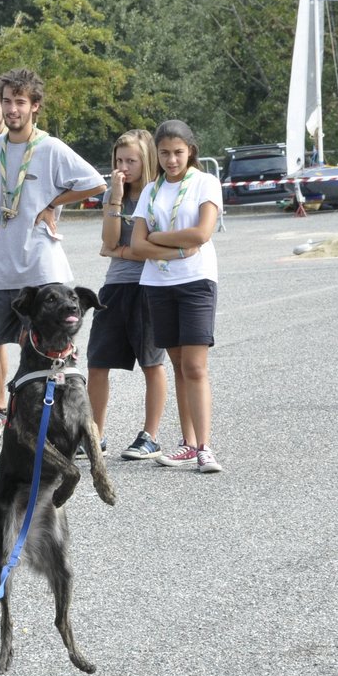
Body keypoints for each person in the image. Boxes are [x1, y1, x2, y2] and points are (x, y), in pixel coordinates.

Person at [0, 68, 106, 439]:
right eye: (7, 101)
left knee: (52, 347)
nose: (12, 109)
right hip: (1, 266)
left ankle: (63, 420)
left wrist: (52, 202)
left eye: (19, 102)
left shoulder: (50, 148)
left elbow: (96, 181)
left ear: (35, 107)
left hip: (43, 267)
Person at [128, 120, 223, 473]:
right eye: (165, 153)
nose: (171, 160)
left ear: (190, 151)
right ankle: (188, 443)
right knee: (180, 365)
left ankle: (205, 447)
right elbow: (136, 244)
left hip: (196, 281)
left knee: (196, 366)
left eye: (178, 153)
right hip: (158, 285)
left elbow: (202, 233)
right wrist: (176, 247)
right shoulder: (151, 191)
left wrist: (158, 240)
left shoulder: (204, 182)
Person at [88, 128, 167, 460]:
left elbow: (148, 249)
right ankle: (95, 435)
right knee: (97, 362)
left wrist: (121, 251)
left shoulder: (157, 195)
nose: (123, 167)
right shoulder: (112, 195)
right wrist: (116, 197)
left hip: (149, 286)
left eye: (131, 160)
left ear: (145, 160)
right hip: (115, 286)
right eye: (119, 160)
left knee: (152, 362)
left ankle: (150, 435)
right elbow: (109, 240)